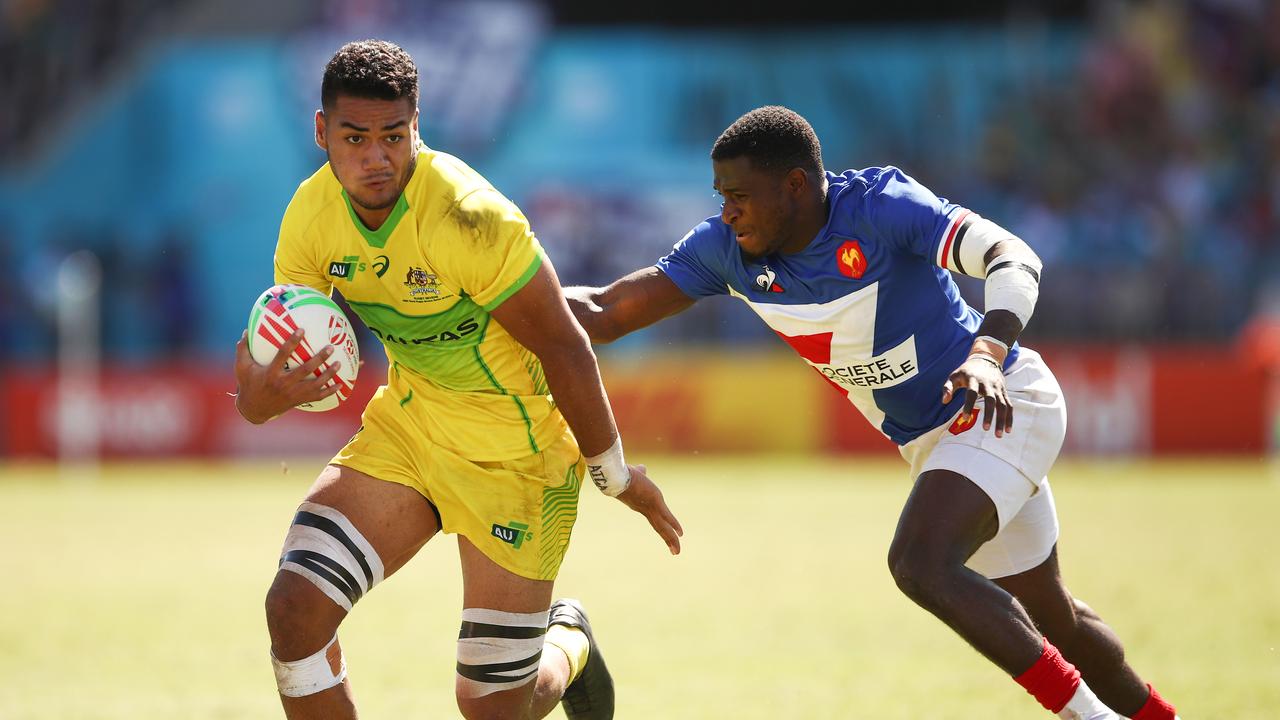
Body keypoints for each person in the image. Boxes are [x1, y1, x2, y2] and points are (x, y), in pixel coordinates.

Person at [565, 106, 1181, 720]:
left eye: (740, 195)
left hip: (1002, 400)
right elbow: (607, 311)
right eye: (721, 195)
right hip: (938, 443)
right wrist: (511, 296)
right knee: (1053, 619)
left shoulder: (881, 208)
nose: (727, 211)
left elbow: (1013, 256)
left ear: (796, 185)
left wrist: (988, 353)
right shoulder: (725, 250)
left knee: (919, 562)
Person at [232, 39, 682, 720]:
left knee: (492, 708)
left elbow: (565, 345)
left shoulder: (469, 216)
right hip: (412, 431)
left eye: (395, 135)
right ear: (322, 132)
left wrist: (614, 474)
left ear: (418, 126)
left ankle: (566, 643)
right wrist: (261, 399)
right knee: (293, 609)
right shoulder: (310, 216)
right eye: (355, 137)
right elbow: (274, 348)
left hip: (518, 456)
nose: (377, 156)